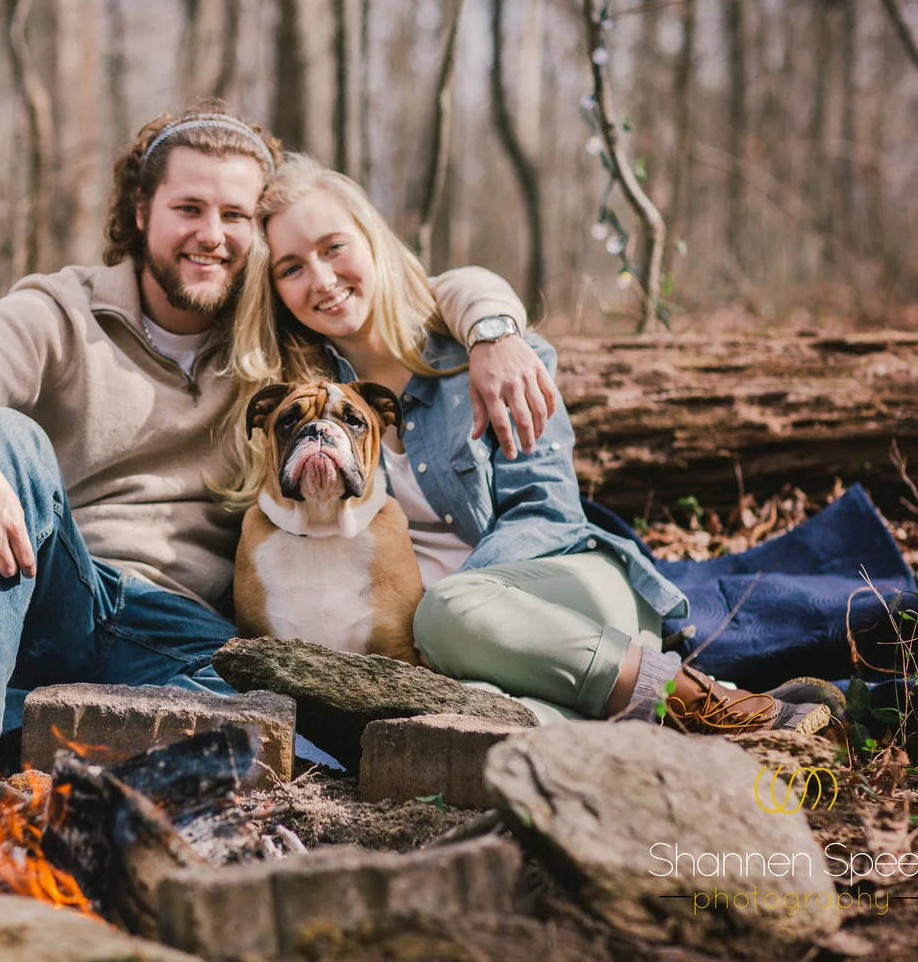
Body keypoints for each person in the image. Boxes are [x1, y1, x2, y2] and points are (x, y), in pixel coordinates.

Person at [0, 102, 554, 753]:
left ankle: (8, 718)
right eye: (189, 208)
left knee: (286, 730)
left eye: (235, 216)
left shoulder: (277, 340)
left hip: (182, 627)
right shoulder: (60, 310)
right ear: (141, 208)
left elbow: (418, 292)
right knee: (2, 433)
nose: (211, 236)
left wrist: (494, 330)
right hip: (53, 584)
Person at [217, 153, 840, 735]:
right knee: (480, 721)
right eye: (291, 268)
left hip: (560, 596)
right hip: (458, 652)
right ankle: (699, 731)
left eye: (334, 247)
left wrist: (452, 599)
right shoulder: (316, 406)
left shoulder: (491, 360)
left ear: (372, 239)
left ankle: (713, 701)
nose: (322, 278)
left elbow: (548, 511)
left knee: (448, 620)